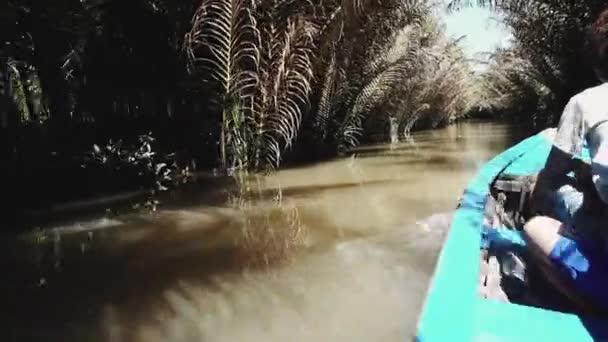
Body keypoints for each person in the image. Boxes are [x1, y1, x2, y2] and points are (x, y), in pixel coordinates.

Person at [525, 9, 608, 312]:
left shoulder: (586, 102)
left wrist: (542, 193)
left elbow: (552, 176)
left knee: (535, 224)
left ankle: (592, 306)